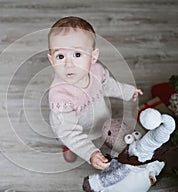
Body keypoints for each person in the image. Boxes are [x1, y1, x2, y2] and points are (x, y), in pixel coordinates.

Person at [47, 16, 143, 170]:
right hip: (69, 128)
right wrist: (91, 153)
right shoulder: (61, 97)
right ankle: (69, 147)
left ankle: (101, 136)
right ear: (51, 60)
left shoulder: (97, 72)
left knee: (103, 130)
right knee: (69, 139)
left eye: (77, 54)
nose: (68, 64)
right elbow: (70, 132)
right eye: (60, 56)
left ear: (93, 56)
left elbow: (109, 85)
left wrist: (127, 91)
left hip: (99, 118)